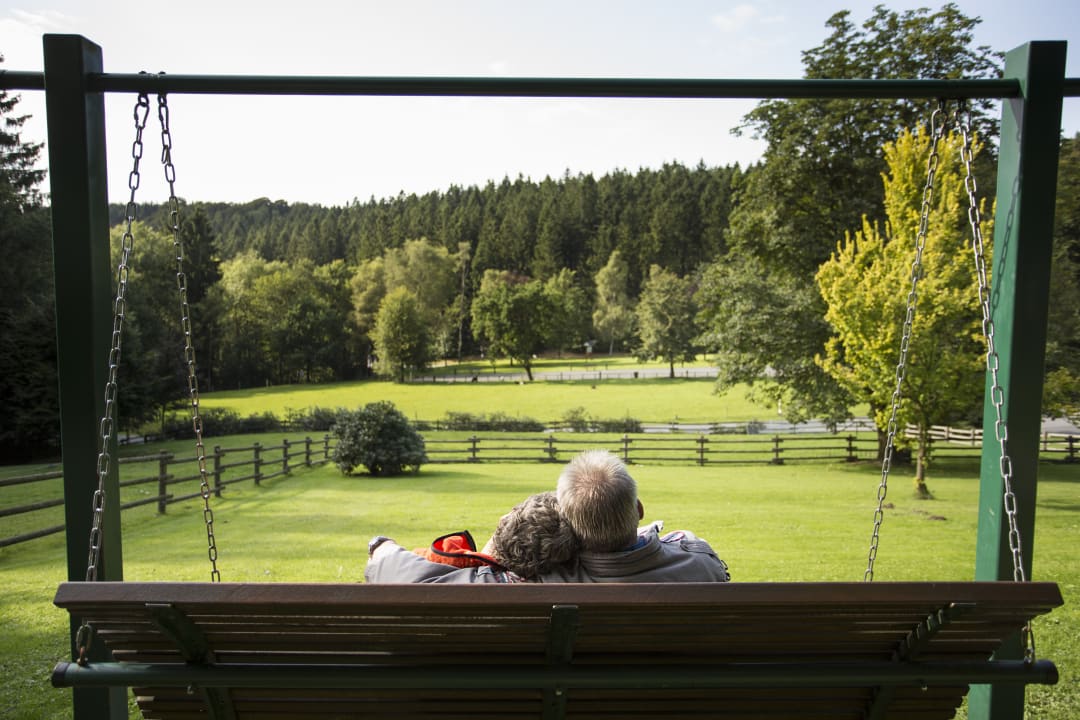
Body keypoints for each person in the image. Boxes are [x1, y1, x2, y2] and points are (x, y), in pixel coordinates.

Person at [366, 450, 729, 583]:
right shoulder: (702, 564)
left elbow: (408, 578)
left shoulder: (535, 585)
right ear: (638, 511)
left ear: (569, 525)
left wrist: (381, 547)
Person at [366, 491, 581, 583]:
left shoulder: (449, 574)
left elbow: (385, 558)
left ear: (503, 520)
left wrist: (382, 544)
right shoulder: (556, 590)